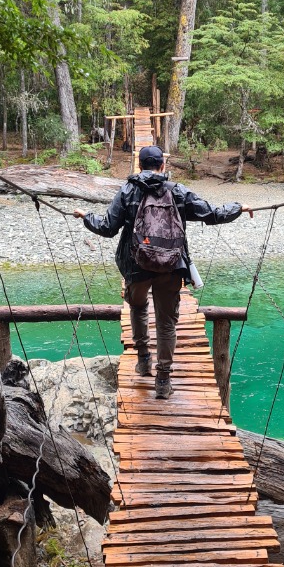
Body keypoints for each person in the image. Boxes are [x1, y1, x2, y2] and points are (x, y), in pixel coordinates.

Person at [74, 145, 251, 399]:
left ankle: (144, 358)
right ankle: (163, 380)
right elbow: (210, 213)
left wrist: (85, 216)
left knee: (137, 307)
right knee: (167, 323)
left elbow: (108, 227)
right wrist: (238, 207)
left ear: (139, 166)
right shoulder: (177, 191)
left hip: (136, 264)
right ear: (162, 166)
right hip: (170, 264)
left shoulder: (128, 190)